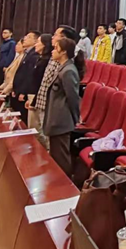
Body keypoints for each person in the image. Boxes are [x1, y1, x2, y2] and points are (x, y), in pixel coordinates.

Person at [32, 26, 79, 150]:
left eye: (56, 35)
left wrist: (75, 118)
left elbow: (71, 96)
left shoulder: (66, 67)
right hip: (44, 103)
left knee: (53, 147)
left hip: (54, 110)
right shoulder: (54, 57)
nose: (53, 37)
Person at [43, 36, 81, 178]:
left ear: (64, 52)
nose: (52, 51)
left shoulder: (68, 70)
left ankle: (64, 184)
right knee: (55, 156)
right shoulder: (62, 68)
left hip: (61, 121)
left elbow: (73, 98)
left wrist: (75, 118)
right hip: (56, 119)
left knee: (61, 158)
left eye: (55, 48)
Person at [25, 33, 53, 139]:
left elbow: (42, 83)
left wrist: (34, 100)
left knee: (36, 129)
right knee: (32, 127)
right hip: (33, 94)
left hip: (38, 97)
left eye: (38, 42)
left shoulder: (46, 61)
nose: (35, 45)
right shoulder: (40, 58)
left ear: (45, 45)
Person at [11, 30, 41, 124]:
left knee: (23, 119)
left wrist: (23, 92)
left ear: (35, 41)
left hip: (24, 92)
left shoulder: (34, 55)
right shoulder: (27, 53)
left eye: (28, 37)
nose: (25, 39)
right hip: (18, 90)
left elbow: (29, 75)